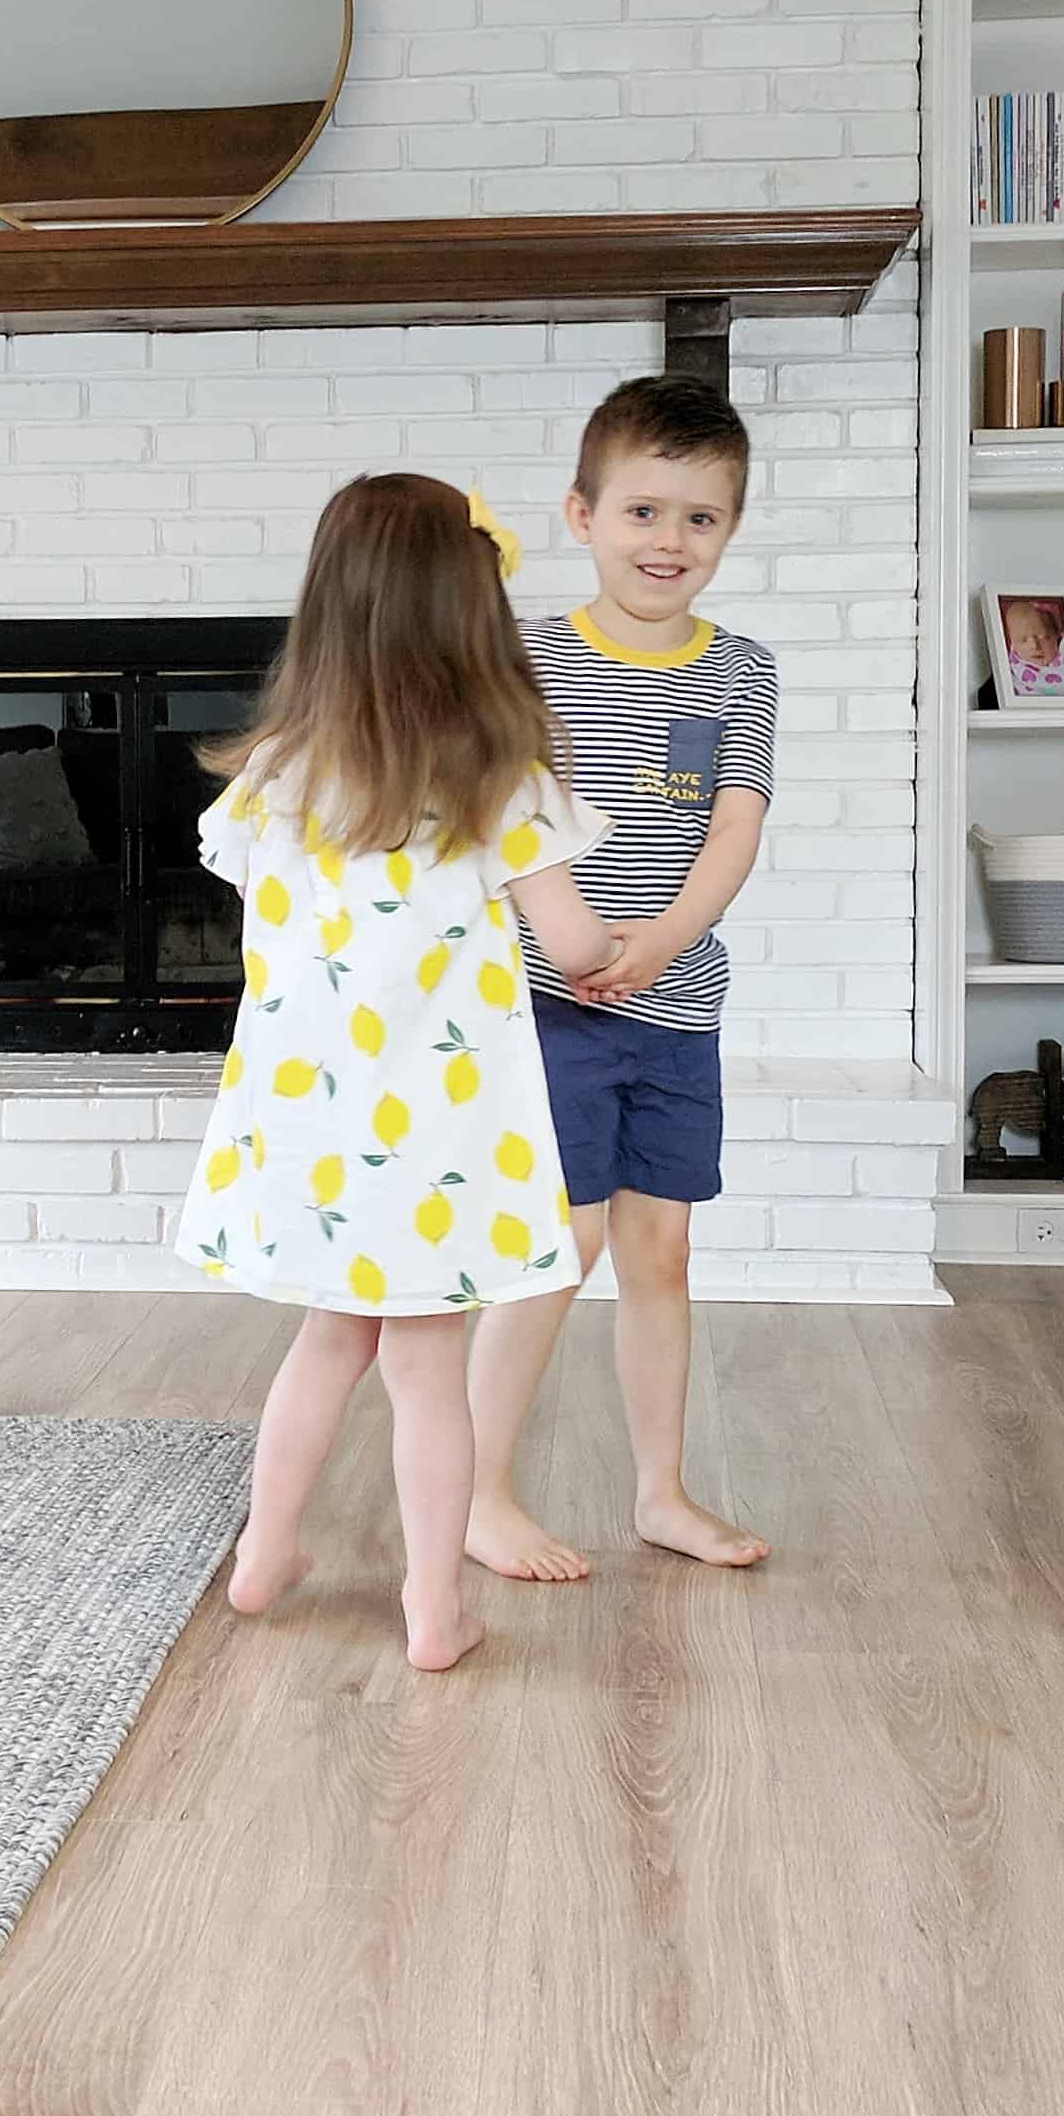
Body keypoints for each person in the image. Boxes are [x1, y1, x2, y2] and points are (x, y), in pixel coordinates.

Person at [174, 470, 624, 1672]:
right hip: (434, 1139)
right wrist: (614, 960)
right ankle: (433, 1610)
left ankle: (266, 1550)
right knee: (430, 1375)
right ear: (469, 613)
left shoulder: (273, 775)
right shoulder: (499, 783)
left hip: (313, 1130)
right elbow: (572, 941)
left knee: (329, 1340)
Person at [463, 375, 776, 1584]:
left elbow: (734, 827)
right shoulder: (529, 659)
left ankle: (660, 1493)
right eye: (644, 512)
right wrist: (583, 943)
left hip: (676, 1006)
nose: (670, 541)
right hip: (552, 1003)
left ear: (729, 532)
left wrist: (660, 942)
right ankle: (481, 1493)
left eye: (700, 519)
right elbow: (505, 821)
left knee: (660, 1253)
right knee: (559, 1246)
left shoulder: (739, 669)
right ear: (581, 515)